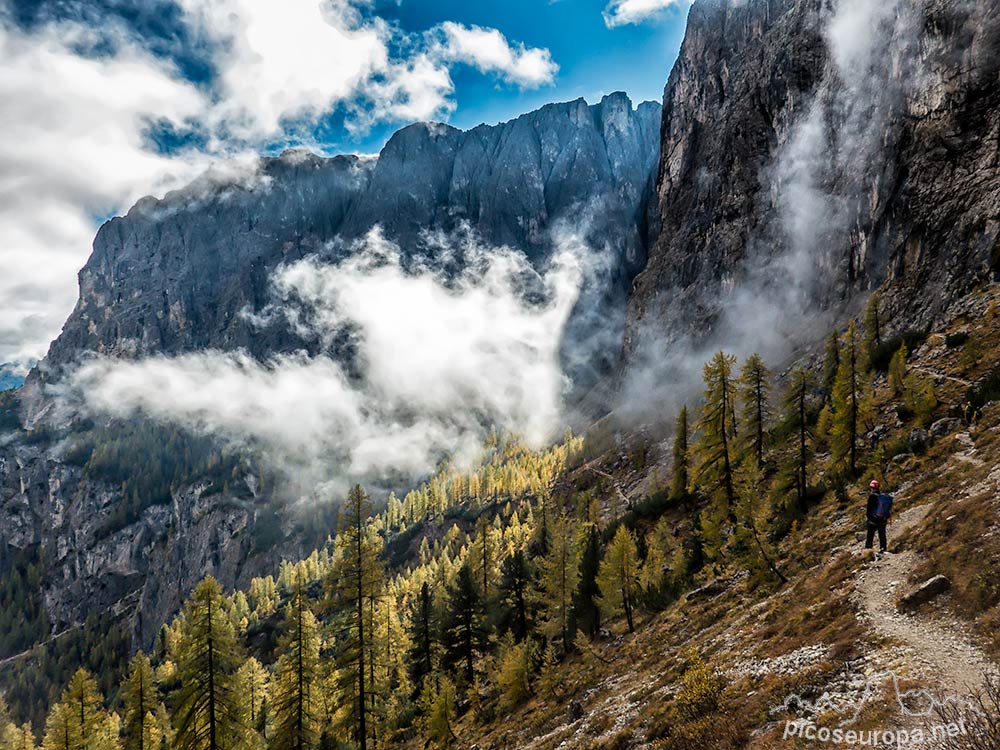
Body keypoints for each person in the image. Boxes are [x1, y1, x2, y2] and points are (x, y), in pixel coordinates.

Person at [865, 480, 892, 553]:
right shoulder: (883, 497)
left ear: (871, 487)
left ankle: (868, 549)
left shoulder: (872, 496)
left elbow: (869, 509)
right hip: (882, 519)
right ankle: (883, 548)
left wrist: (868, 517)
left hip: (873, 519)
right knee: (882, 535)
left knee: (870, 535)